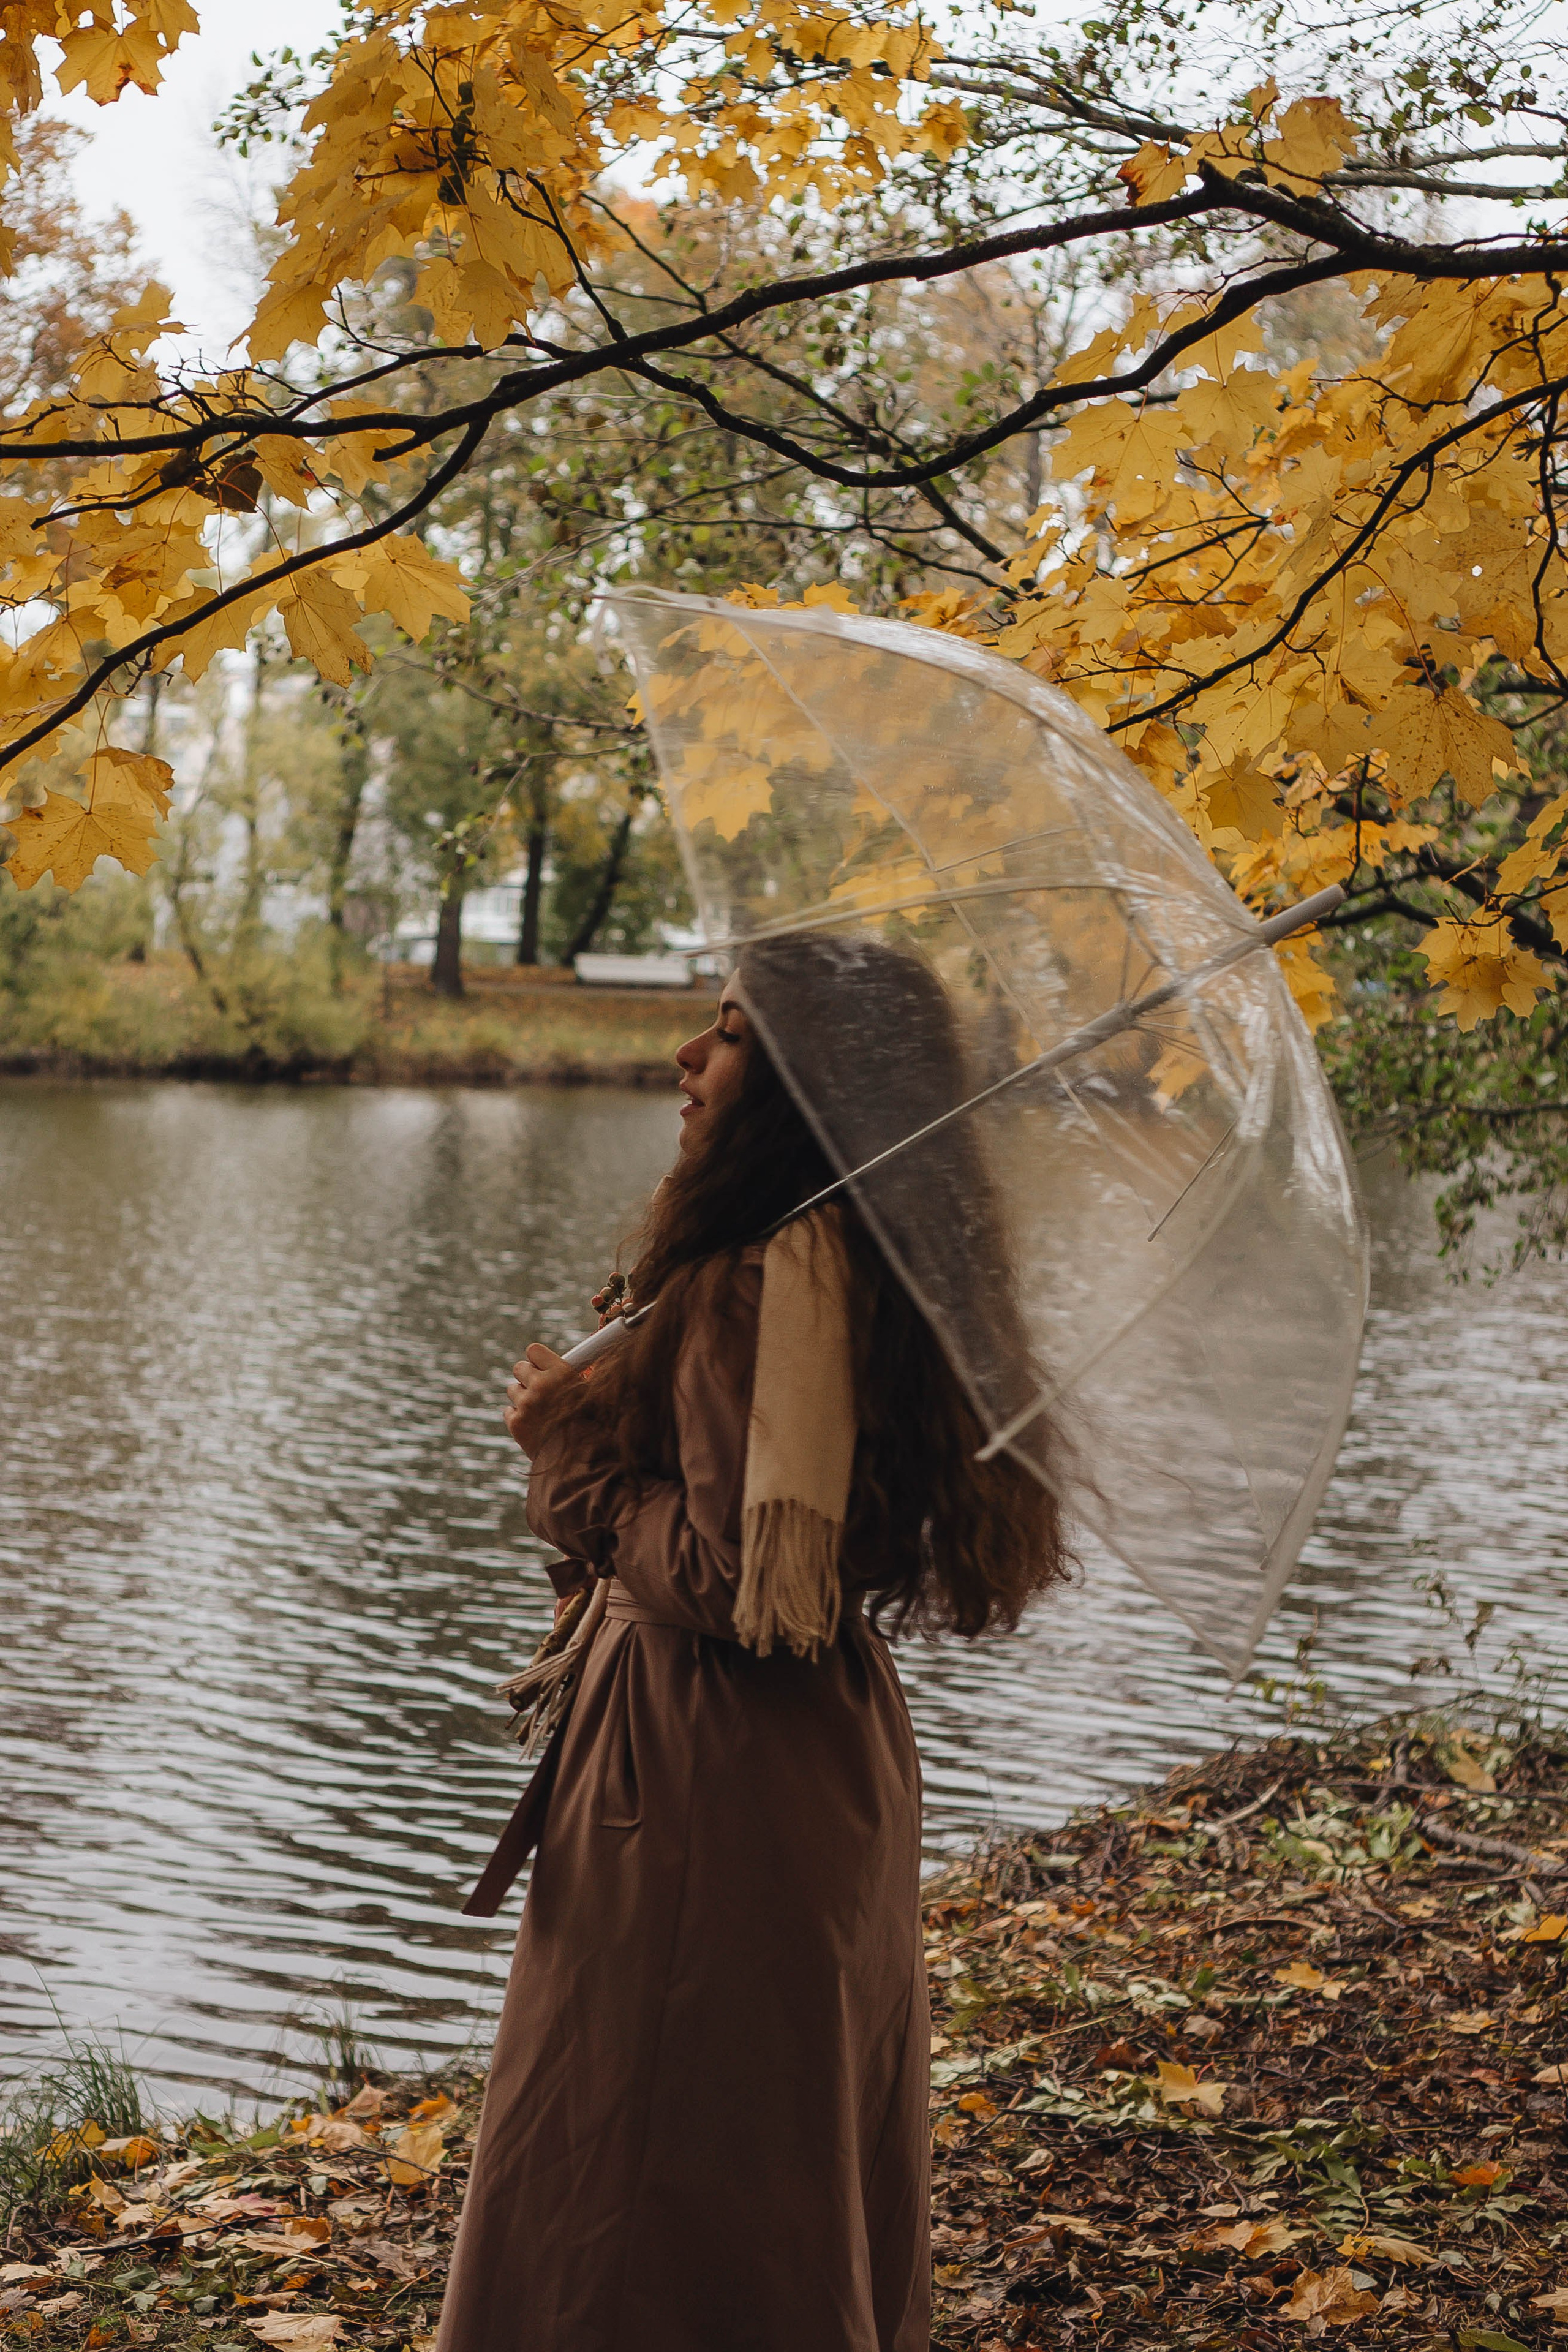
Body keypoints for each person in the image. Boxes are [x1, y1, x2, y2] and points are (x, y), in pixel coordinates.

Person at [435, 939, 1070, 2352]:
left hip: (693, 1772)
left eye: (723, 1035)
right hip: (821, 1759)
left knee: (631, 2161)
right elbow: (786, 1564)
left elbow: (731, 1584)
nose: (686, 1060)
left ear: (798, 1088)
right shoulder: (862, 1265)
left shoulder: (751, 1286)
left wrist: (570, 1459)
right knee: (776, 2152)